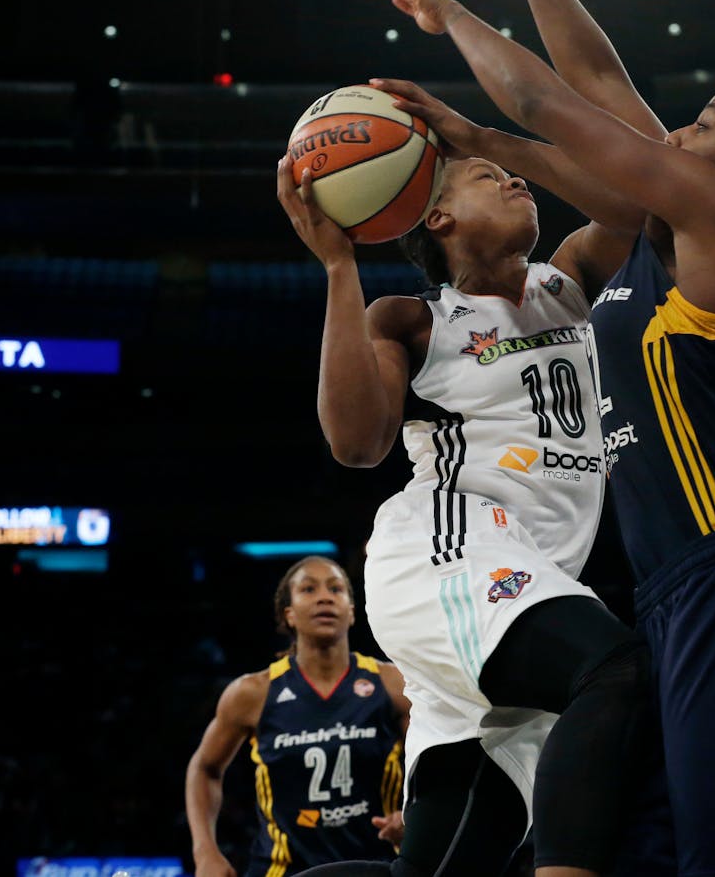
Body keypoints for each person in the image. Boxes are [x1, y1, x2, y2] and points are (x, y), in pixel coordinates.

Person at [353, 0, 715, 872]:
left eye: (700, 124)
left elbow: (547, 102)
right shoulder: (667, 231)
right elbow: (593, 71)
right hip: (671, 596)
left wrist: (449, 21)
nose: (672, 132)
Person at [272, 105, 653, 877]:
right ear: (436, 212)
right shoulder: (414, 318)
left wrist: (486, 140)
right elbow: (356, 443)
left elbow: (639, 205)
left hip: (527, 584)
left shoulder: (572, 279)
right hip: (449, 556)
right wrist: (340, 268)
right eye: (489, 177)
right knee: (622, 671)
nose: (516, 178)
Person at [186, 556, 410, 877]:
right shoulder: (252, 693)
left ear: (351, 612)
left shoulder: (392, 684)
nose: (325, 596)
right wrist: (204, 850)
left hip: (376, 866)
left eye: (336, 589)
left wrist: (415, 817)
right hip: (281, 871)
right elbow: (204, 768)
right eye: (308, 589)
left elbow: (437, 765)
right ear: (288, 614)